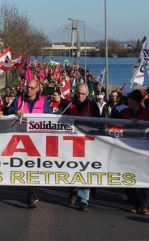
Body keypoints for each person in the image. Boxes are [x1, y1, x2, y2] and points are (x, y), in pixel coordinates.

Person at [6, 79, 52, 209]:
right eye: (27, 87)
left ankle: (32, 195)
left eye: (32, 88)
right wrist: (15, 112)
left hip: (38, 139)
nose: (29, 89)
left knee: (33, 167)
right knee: (25, 166)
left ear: (38, 89)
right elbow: (7, 112)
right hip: (22, 139)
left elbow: (50, 117)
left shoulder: (44, 101)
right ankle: (31, 192)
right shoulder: (19, 100)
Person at [62, 83, 100, 212]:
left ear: (88, 93)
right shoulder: (67, 104)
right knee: (71, 169)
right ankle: (73, 191)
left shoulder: (93, 106)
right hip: (69, 143)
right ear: (75, 92)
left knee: (85, 171)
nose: (81, 96)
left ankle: (84, 199)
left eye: (83, 93)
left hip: (86, 143)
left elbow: (99, 124)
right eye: (78, 93)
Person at [121, 90, 149, 215]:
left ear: (138, 100)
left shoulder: (147, 113)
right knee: (129, 177)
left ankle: (144, 204)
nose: (129, 101)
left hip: (143, 150)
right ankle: (134, 203)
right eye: (129, 99)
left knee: (143, 177)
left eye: (132, 99)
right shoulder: (123, 113)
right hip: (127, 148)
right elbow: (115, 128)